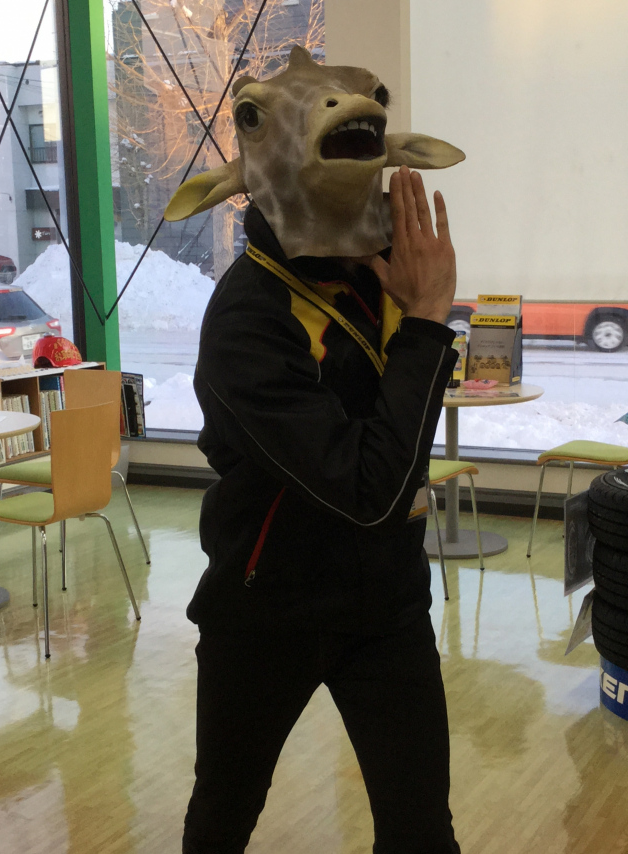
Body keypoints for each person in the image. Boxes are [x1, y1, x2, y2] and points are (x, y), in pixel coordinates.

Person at [183, 164, 461, 854]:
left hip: (386, 604)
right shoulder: (248, 314)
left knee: (421, 831)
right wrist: (428, 321)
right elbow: (370, 492)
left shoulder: (377, 279)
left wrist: (419, 313)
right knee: (224, 813)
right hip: (266, 610)